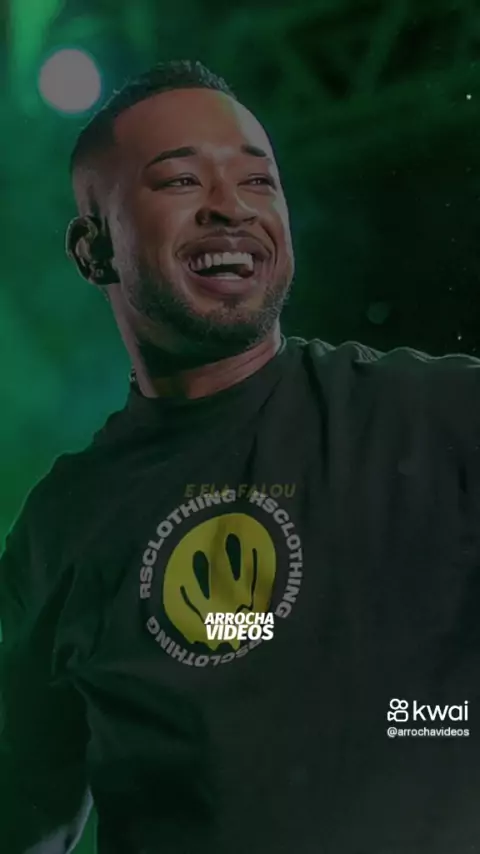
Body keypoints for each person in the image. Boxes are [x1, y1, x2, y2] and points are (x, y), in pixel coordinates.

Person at [1, 58, 479, 854]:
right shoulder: (61, 528)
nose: (232, 207)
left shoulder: (443, 418)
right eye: (181, 181)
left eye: (259, 181)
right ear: (92, 249)